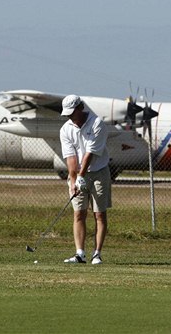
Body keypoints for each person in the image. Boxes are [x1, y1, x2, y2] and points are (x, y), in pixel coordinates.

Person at [59, 94, 111, 265]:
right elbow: (71, 157)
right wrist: (74, 180)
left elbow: (90, 153)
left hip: (98, 172)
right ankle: (80, 253)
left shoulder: (97, 124)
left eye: (72, 113)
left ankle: (97, 254)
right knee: (79, 213)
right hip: (78, 174)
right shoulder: (65, 129)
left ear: (80, 108)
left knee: (99, 214)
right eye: (67, 114)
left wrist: (81, 176)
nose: (69, 117)